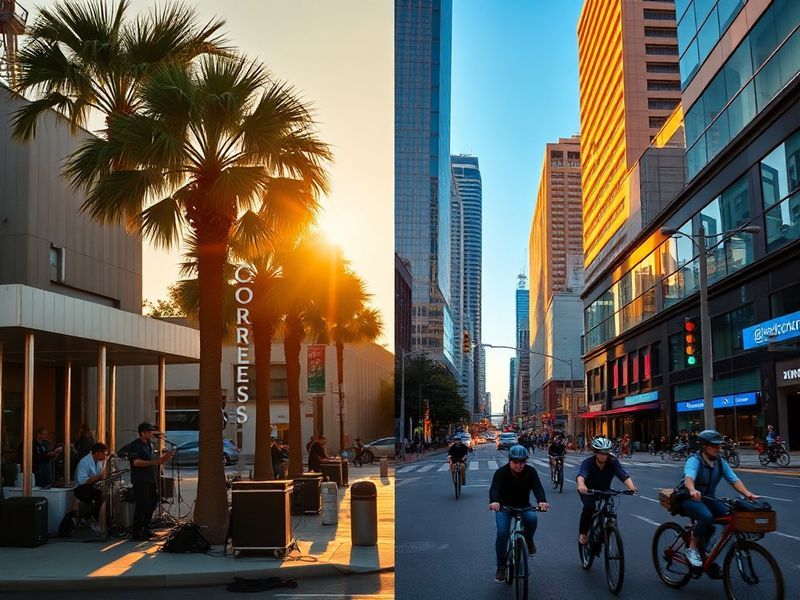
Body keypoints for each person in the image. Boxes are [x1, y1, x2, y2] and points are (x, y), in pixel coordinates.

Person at [677, 429, 759, 569]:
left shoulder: (720, 462)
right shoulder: (694, 460)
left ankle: (708, 548)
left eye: (719, 446)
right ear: (704, 446)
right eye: (714, 446)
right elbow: (689, 477)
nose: (718, 449)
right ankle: (692, 548)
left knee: (731, 515)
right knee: (706, 517)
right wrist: (692, 489)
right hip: (689, 499)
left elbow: (733, 480)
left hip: (709, 499)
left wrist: (747, 493)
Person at [489, 445, 548, 583]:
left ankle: (529, 539)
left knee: (533, 519)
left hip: (524, 507)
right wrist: (494, 501)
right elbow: (494, 489)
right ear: (509, 461)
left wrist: (542, 501)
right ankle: (501, 567)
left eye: (522, 462)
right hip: (504, 507)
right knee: (503, 533)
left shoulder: (531, 472)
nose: (519, 465)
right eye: (515, 462)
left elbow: (538, 488)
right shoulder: (501, 472)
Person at [576, 437, 637, 546]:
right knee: (589, 507)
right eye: (601, 453)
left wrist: (631, 487)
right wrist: (581, 485)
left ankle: (608, 530)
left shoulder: (613, 461)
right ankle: (583, 532)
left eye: (606, 453)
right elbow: (582, 475)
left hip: (605, 489)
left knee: (610, 509)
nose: (603, 455)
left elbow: (623, 474)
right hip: (588, 490)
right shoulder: (588, 462)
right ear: (595, 452)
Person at [127, 422, 173, 541]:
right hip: (140, 480)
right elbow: (136, 462)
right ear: (142, 433)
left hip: (150, 479)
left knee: (153, 502)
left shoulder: (150, 445)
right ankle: (136, 533)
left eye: (151, 431)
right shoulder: (135, 445)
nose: (150, 433)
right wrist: (156, 462)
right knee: (141, 505)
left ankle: (146, 528)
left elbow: (153, 459)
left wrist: (164, 458)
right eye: (148, 432)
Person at [74, 442, 109, 535]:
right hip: (81, 488)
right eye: (104, 454)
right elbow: (82, 481)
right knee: (98, 496)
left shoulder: (100, 461)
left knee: (106, 494)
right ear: (97, 453)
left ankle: (100, 520)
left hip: (92, 485)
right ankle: (93, 519)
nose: (105, 456)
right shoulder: (85, 462)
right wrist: (97, 478)